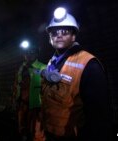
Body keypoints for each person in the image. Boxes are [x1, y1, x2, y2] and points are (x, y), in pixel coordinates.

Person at [40, 7, 111, 141]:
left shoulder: (89, 65)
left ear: (74, 35)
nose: (59, 35)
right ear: (49, 37)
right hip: (50, 133)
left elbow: (99, 115)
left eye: (65, 31)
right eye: (54, 32)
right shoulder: (52, 62)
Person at [13, 40, 46, 141]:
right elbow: (16, 85)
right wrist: (14, 100)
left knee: (37, 133)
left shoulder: (43, 67)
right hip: (22, 105)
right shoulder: (21, 68)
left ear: (36, 53)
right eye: (26, 52)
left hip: (37, 106)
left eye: (32, 52)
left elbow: (48, 90)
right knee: (23, 129)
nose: (29, 54)